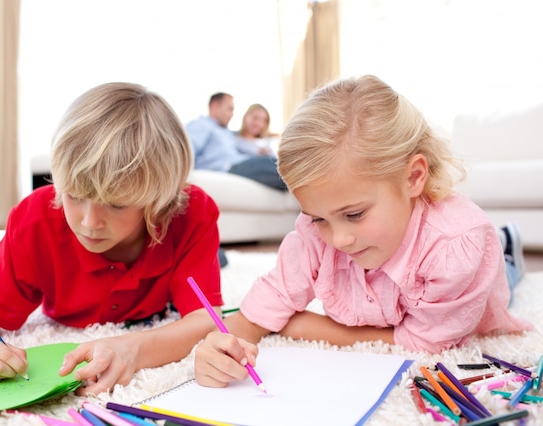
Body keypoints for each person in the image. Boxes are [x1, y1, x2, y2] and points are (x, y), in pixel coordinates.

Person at [193, 75, 532, 389]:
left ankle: (505, 245)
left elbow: (427, 341)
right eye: (317, 218)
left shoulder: (456, 247)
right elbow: (267, 302)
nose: (338, 239)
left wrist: (304, 326)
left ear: (413, 178)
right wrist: (224, 343)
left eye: (354, 214)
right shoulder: (317, 231)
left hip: (475, 273)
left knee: (504, 277)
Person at [0, 82, 224, 396]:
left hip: (163, 260)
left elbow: (207, 320)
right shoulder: (34, 220)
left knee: (216, 263)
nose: (89, 223)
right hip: (33, 253)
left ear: (158, 202)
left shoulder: (193, 213)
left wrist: (131, 348)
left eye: (117, 204)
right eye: (74, 195)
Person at [185, 93, 286, 191]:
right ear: (215, 106)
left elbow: (246, 141)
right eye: (230, 108)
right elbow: (186, 148)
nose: (232, 114)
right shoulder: (202, 124)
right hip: (230, 167)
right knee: (276, 165)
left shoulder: (225, 131)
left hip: (241, 163)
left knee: (276, 162)